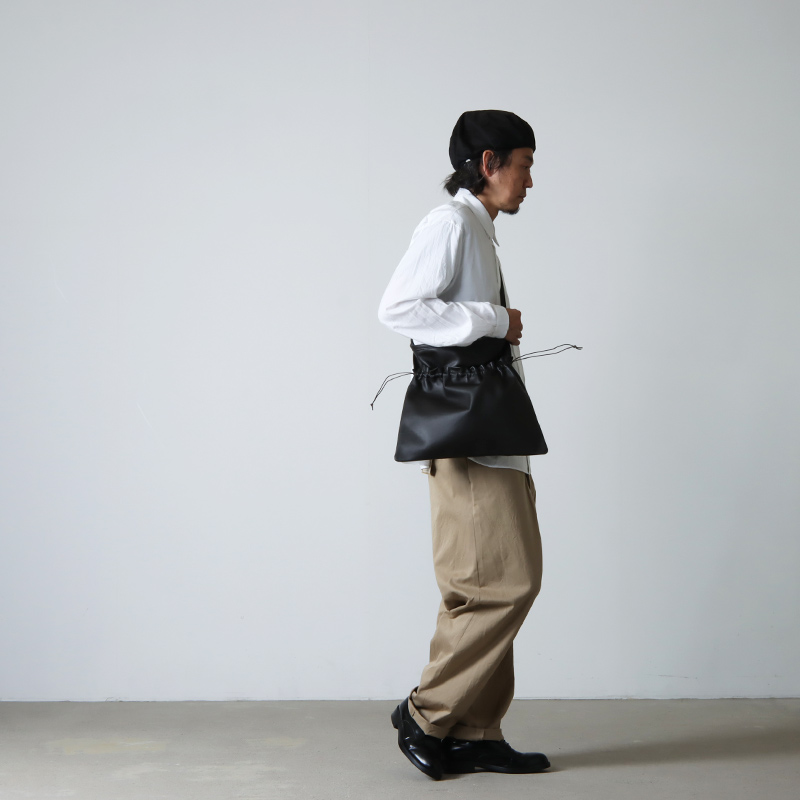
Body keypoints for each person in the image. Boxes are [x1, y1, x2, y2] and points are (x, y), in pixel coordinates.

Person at [377, 110, 550, 780]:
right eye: (525, 163)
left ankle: (475, 729)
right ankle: (427, 715)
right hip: (473, 440)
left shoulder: (478, 231)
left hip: (490, 433)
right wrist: (491, 319)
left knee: (475, 587)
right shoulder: (449, 225)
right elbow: (398, 308)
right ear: (488, 163)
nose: (531, 179)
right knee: (506, 583)